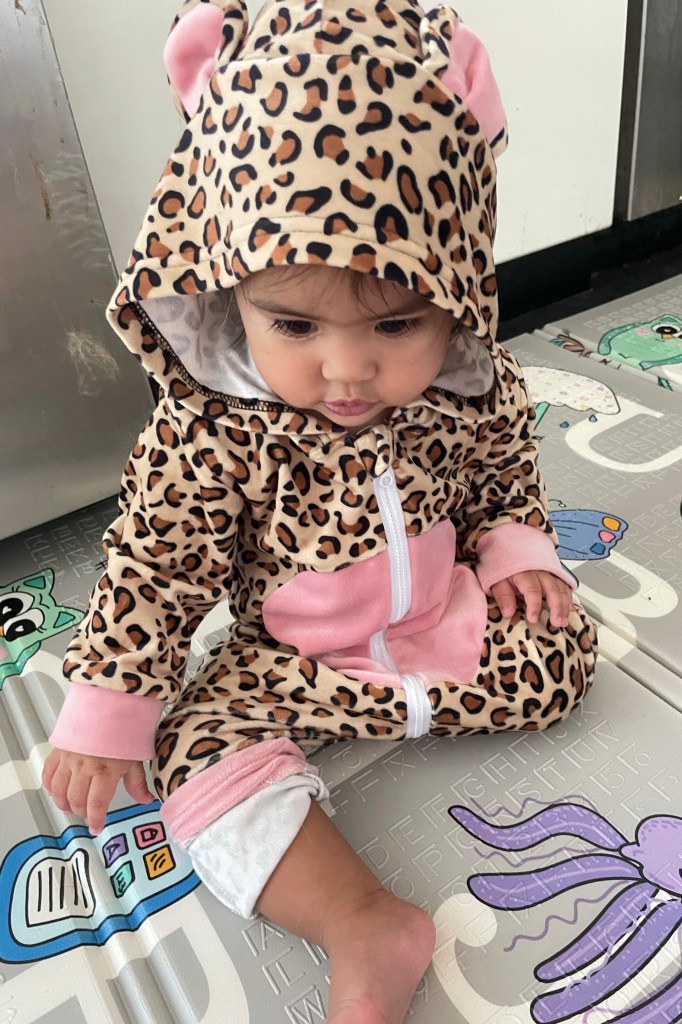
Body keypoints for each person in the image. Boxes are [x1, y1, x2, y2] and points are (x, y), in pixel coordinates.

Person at [42, 1, 598, 1020]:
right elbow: (157, 565)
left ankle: (465, 675)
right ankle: (363, 922)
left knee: (563, 650)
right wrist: (112, 701)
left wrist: (518, 546)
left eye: (396, 324)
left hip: (446, 630)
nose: (347, 371)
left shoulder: (467, 386)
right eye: (294, 326)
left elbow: (501, 470)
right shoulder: (214, 428)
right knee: (187, 746)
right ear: (230, 292)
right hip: (293, 666)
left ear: (457, 296)